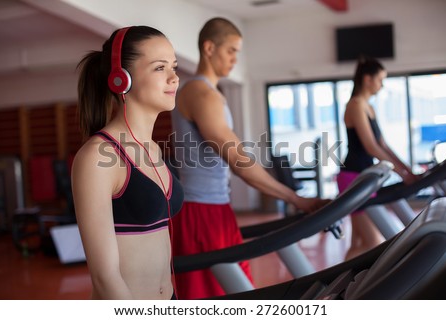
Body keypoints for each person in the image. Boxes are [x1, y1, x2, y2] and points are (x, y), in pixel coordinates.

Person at [171, 17, 329, 299]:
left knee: (235, 293)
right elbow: (240, 163)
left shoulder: (209, 93)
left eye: (237, 52)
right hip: (201, 213)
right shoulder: (200, 93)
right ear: (209, 48)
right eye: (231, 50)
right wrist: (297, 199)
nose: (234, 58)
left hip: (215, 207)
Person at [71, 26, 183, 299]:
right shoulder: (98, 157)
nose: (174, 78)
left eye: (174, 67)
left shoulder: (154, 149)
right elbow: (105, 277)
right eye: (160, 68)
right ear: (122, 80)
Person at [337, 56, 419, 261]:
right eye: (380, 79)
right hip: (353, 177)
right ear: (367, 79)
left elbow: (383, 145)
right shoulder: (355, 105)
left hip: (363, 175)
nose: (382, 85)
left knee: (358, 242)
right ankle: (338, 289)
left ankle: (340, 291)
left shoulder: (368, 107)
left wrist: (408, 170)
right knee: (372, 242)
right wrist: (400, 172)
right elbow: (370, 146)